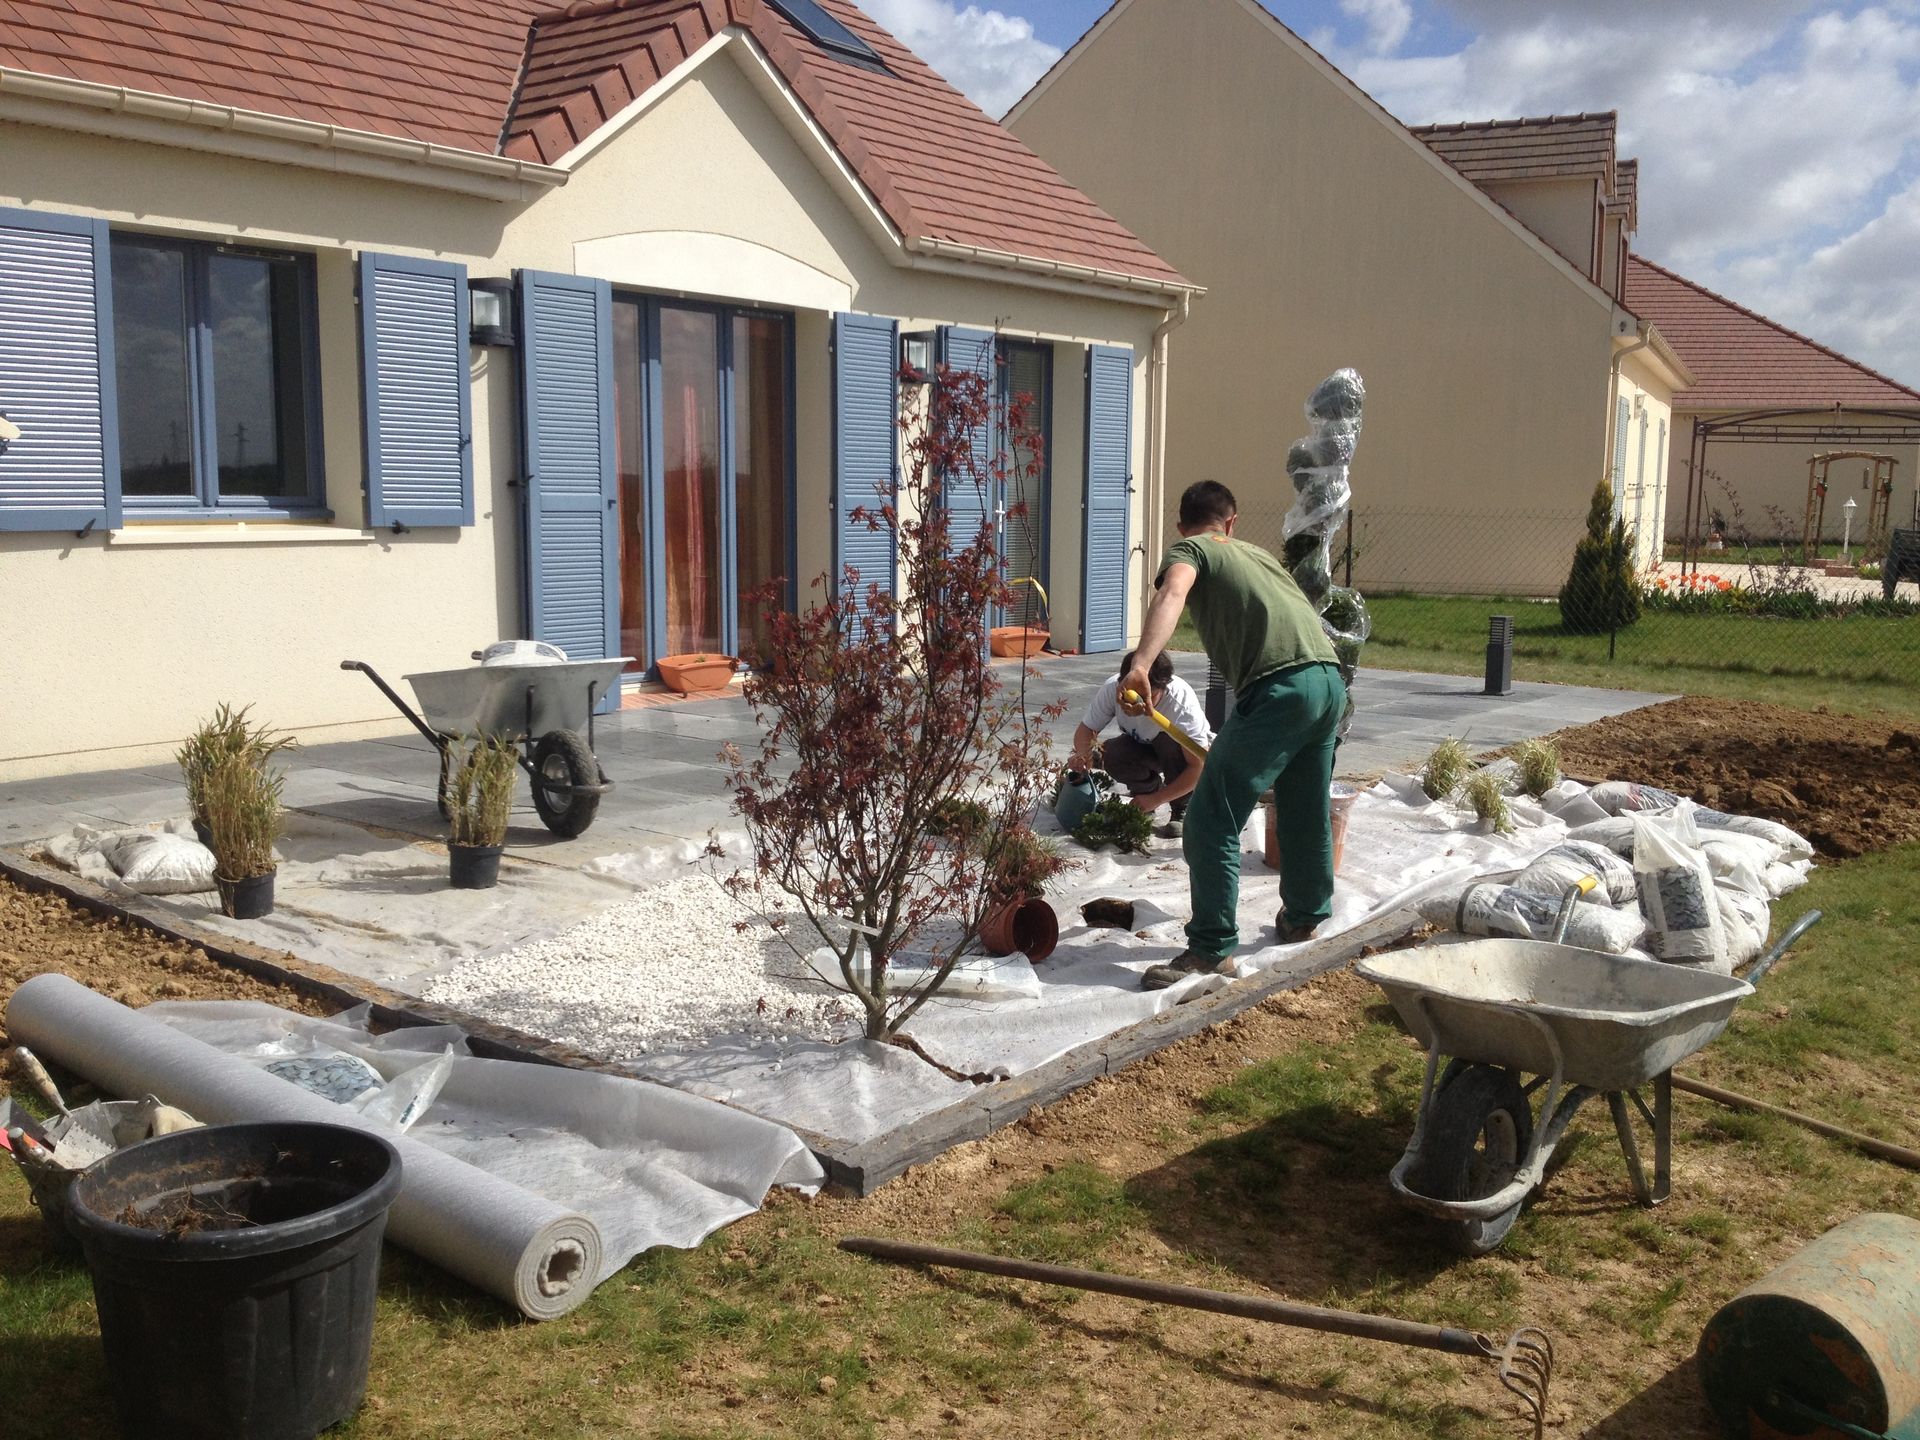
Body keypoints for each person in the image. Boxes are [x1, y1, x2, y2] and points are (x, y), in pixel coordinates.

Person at [1120, 480, 1344, 990]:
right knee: (1304, 803)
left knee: (1210, 816)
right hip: (1328, 682)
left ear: (1182, 526)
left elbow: (1174, 590)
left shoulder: (1192, 550)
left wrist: (1142, 664)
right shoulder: (1258, 555)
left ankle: (1211, 948)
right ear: (1232, 522)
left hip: (1279, 689)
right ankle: (1304, 916)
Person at [1069, 650, 1211, 839]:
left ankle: (1183, 807)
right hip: (1143, 747)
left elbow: (1198, 767)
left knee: (1169, 741)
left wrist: (1158, 799)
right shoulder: (1112, 689)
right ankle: (1145, 795)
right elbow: (1085, 730)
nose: (1138, 705)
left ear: (1163, 686)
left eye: (1149, 696)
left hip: (1178, 754)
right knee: (1112, 753)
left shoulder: (1181, 705)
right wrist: (1083, 754)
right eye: (1133, 696)